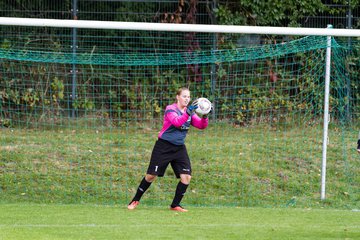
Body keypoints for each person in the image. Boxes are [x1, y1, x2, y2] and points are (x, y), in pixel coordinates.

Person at [127, 87, 209, 212]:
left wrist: (204, 116)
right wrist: (188, 113)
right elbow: (177, 122)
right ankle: (135, 200)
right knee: (151, 176)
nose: (187, 99)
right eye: (184, 96)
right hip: (163, 146)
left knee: (186, 177)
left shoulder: (189, 112)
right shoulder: (170, 109)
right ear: (178, 97)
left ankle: (175, 205)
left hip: (179, 148)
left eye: (188, 97)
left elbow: (201, 126)